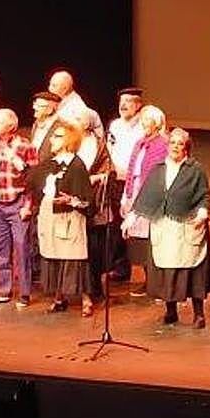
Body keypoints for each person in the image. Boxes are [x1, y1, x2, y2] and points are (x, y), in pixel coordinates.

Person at [128, 128, 210, 328]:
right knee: (166, 270)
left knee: (192, 270)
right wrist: (132, 217)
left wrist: (202, 213)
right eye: (172, 143)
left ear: (186, 148)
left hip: (186, 226)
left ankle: (198, 314)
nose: (175, 147)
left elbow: (204, 195)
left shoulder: (195, 169)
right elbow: (146, 195)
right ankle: (171, 311)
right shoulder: (158, 169)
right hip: (163, 227)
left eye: (180, 144)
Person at [31, 120, 95, 317]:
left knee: (73, 256)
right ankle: (58, 297)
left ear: (68, 140)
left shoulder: (76, 165)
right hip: (49, 214)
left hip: (69, 217)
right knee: (53, 256)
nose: (52, 139)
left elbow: (87, 200)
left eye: (57, 136)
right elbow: (35, 185)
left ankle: (86, 299)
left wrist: (72, 200)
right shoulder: (48, 164)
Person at [0, 108, 37, 307]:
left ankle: (25, 292)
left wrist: (28, 205)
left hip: (18, 201)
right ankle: (4, 289)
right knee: (0, 249)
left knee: (22, 247)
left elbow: (32, 179)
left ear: (10, 126)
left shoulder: (24, 146)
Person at [120, 105, 169, 296]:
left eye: (148, 121)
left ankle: (159, 283)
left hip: (152, 196)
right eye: (143, 121)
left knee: (153, 239)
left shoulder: (163, 144)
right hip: (136, 192)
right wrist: (126, 196)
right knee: (139, 240)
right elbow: (132, 171)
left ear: (157, 124)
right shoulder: (140, 143)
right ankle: (149, 280)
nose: (144, 125)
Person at [106, 87, 145, 281]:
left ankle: (148, 272)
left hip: (137, 183)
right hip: (117, 180)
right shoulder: (115, 126)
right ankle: (121, 267)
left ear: (138, 105)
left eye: (129, 101)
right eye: (122, 100)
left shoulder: (144, 127)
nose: (123, 105)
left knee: (140, 224)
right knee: (116, 224)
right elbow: (109, 149)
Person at [75, 108, 114, 301]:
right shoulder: (71, 143)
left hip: (96, 201)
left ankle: (95, 284)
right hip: (75, 201)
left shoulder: (99, 145)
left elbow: (109, 170)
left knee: (95, 246)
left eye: (78, 119)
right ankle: (80, 287)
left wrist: (95, 177)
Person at [48, 69, 104, 139]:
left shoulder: (77, 107)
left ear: (65, 89)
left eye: (54, 86)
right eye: (50, 84)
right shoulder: (59, 103)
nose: (50, 89)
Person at [28, 90, 62, 162]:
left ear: (50, 110)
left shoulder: (60, 128)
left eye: (39, 106)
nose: (34, 107)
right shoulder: (36, 124)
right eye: (35, 104)